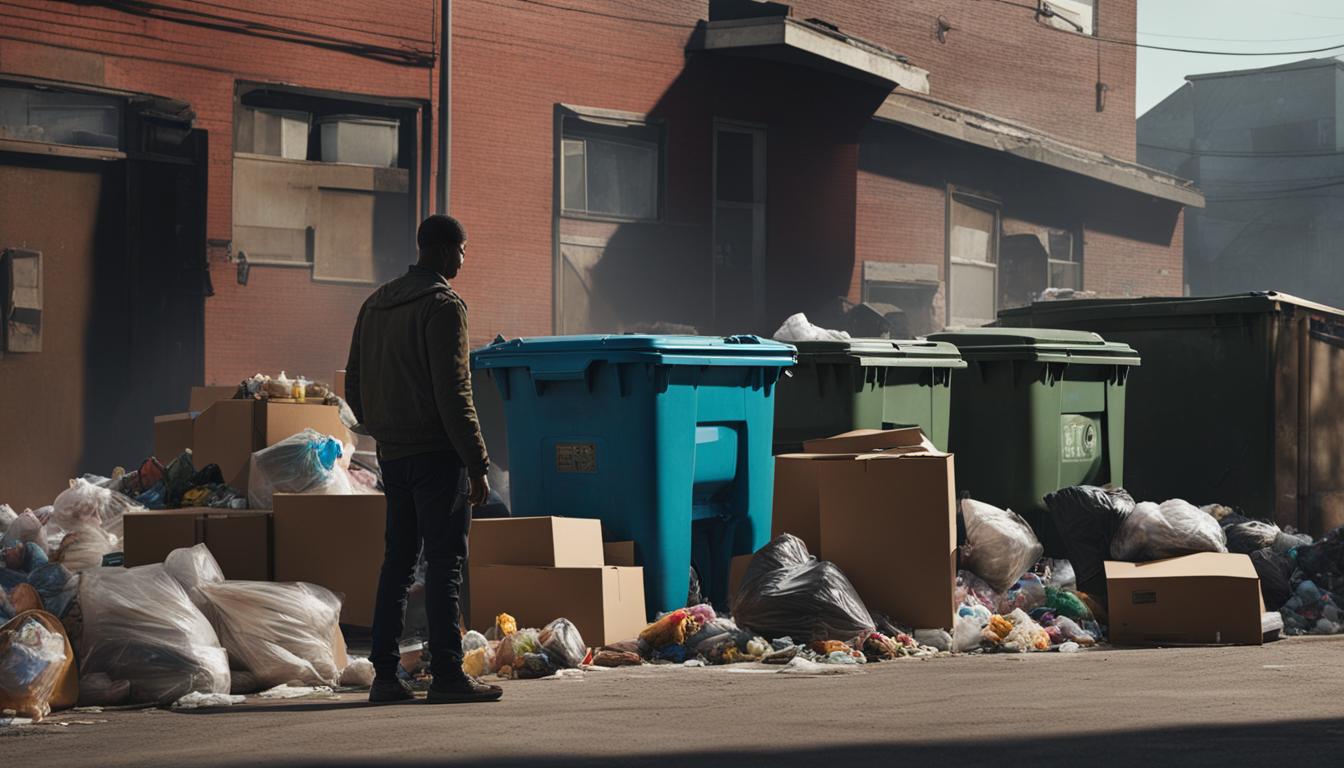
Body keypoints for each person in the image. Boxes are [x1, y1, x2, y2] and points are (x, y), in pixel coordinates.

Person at [345, 214, 503, 704]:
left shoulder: (375, 304)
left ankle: (386, 677)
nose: (463, 259)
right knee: (444, 564)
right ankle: (449, 675)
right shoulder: (443, 305)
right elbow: (455, 391)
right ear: (443, 250)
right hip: (438, 456)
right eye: (462, 250)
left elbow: (353, 385)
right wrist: (477, 462)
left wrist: (384, 430)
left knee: (397, 563)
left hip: (394, 456)